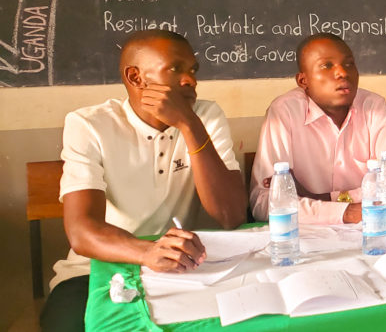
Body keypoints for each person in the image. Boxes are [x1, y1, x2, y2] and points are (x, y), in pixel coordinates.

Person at [42, 30, 246, 332]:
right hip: (96, 270)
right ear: (135, 77)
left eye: (193, 70)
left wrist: (189, 124)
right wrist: (147, 252)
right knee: (70, 324)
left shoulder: (206, 116)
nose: (190, 80)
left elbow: (231, 215)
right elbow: (82, 232)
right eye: (176, 69)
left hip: (185, 267)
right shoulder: (89, 124)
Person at [251, 33, 386, 224]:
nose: (342, 73)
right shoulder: (284, 112)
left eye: (349, 64)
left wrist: (322, 198)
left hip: (369, 230)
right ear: (303, 81)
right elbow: (264, 203)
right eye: (326, 66)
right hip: (307, 238)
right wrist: (345, 212)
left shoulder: (372, 106)